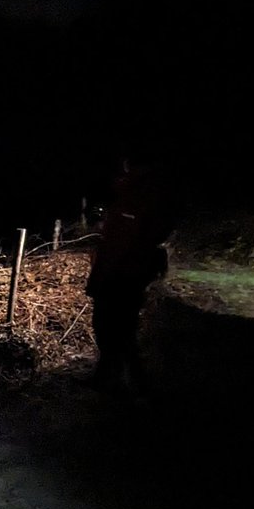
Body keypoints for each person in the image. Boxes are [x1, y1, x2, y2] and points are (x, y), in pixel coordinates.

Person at [85, 157, 177, 393]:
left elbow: (119, 246)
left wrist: (99, 280)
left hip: (120, 277)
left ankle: (136, 386)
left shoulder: (135, 196)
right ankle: (112, 379)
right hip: (131, 275)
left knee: (113, 330)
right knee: (119, 330)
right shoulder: (142, 194)